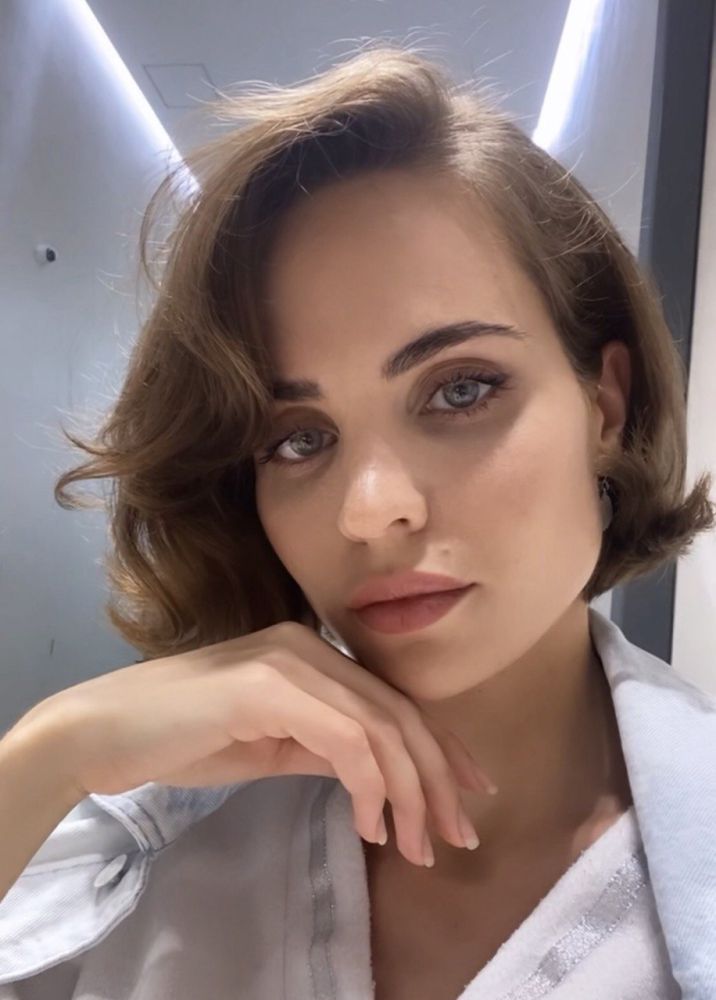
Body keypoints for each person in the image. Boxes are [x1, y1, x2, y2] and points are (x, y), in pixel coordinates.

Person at [1, 43, 715, 1000]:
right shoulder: (130, 853)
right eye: (298, 439)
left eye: (461, 390)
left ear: (605, 406)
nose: (372, 510)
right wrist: (48, 754)